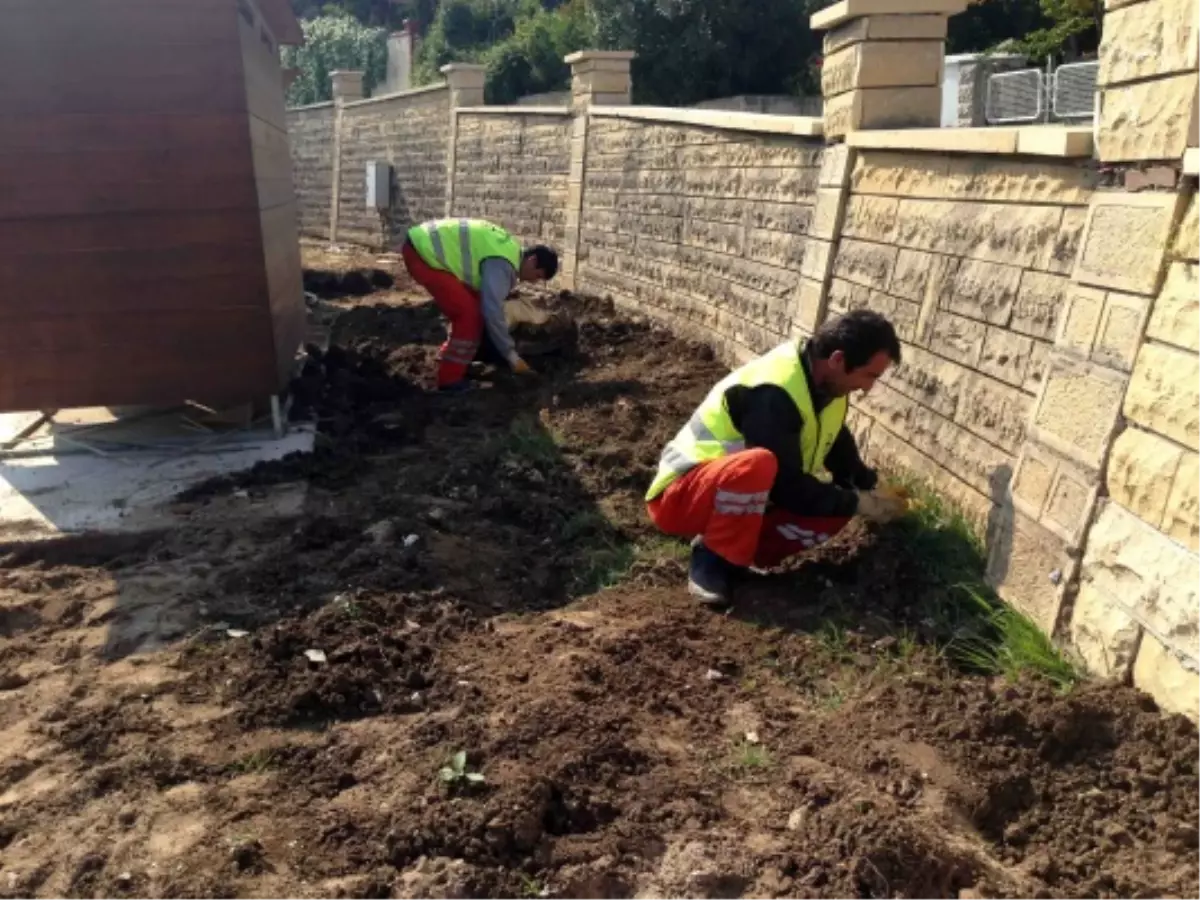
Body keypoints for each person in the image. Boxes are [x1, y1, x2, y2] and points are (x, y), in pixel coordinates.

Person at [645, 310, 909, 605]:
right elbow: (786, 486)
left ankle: (741, 559)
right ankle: (712, 558)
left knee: (835, 510)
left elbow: (836, 442)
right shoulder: (773, 393)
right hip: (682, 496)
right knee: (759, 465)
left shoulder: (828, 386)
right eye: (869, 375)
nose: (868, 387)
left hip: (737, 496)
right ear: (837, 360)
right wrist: (859, 502)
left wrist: (868, 485)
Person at [399, 218, 559, 392]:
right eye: (537, 275)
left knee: (474, 306)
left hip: (421, 245)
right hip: (423, 254)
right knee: (470, 316)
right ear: (532, 260)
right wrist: (511, 355)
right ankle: (449, 380)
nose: (534, 282)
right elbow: (491, 310)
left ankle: (450, 356)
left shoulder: (508, 250)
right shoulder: (503, 264)